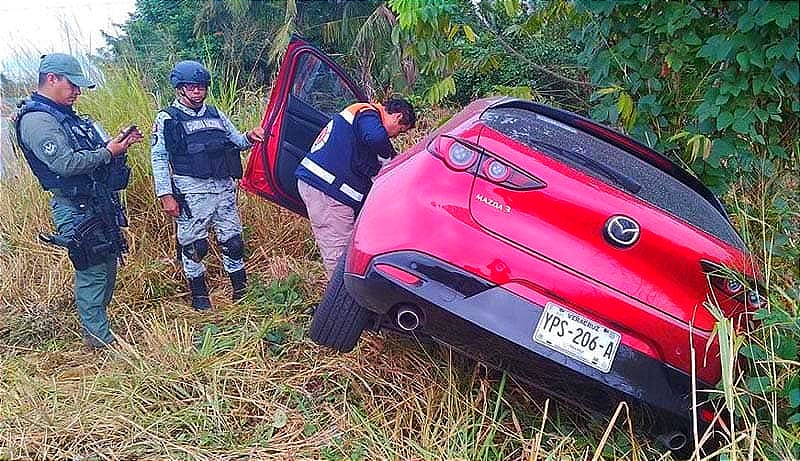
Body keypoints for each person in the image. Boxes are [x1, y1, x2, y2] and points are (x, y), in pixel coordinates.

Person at [14, 53, 143, 348]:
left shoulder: (65, 117)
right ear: (51, 79)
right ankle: (99, 341)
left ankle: (97, 326)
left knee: (107, 267)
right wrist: (108, 152)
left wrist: (117, 147)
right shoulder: (38, 120)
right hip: (75, 208)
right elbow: (65, 163)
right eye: (72, 85)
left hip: (96, 203)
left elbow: (90, 154)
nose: (77, 92)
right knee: (93, 273)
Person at [150, 60, 265, 311]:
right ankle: (200, 298)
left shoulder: (215, 113)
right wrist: (165, 195)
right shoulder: (167, 118)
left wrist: (251, 136)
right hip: (191, 191)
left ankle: (240, 291)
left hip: (223, 189)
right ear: (180, 89)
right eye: (191, 88)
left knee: (234, 242)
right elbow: (158, 157)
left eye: (201, 87)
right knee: (194, 247)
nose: (197, 92)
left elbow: (236, 141)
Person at [295, 98, 416, 278]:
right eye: (400, 130)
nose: (395, 136)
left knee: (344, 251)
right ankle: (339, 303)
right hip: (328, 193)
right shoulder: (367, 113)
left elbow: (363, 159)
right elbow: (376, 138)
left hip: (326, 190)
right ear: (397, 116)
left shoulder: (360, 120)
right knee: (339, 255)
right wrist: (387, 158)